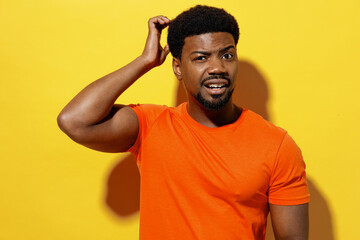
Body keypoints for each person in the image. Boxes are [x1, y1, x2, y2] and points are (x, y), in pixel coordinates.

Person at [58, 5, 309, 240]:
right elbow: (74, 121)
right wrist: (144, 62)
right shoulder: (150, 126)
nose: (217, 67)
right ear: (177, 67)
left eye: (227, 55)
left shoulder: (277, 145)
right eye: (201, 58)